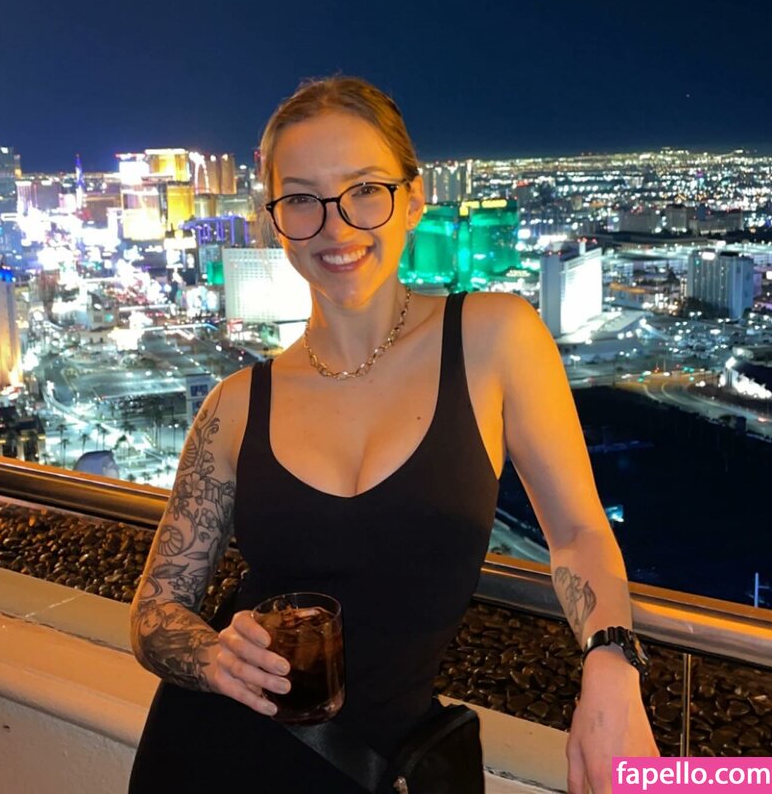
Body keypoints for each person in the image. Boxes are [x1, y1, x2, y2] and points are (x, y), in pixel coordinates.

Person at [129, 76, 657, 793]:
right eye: (303, 199)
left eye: (365, 190)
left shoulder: (494, 338)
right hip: (208, 759)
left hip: (378, 771)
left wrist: (611, 665)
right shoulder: (235, 406)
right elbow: (155, 610)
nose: (337, 226)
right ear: (274, 220)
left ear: (412, 199)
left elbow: (578, 533)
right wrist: (213, 657)